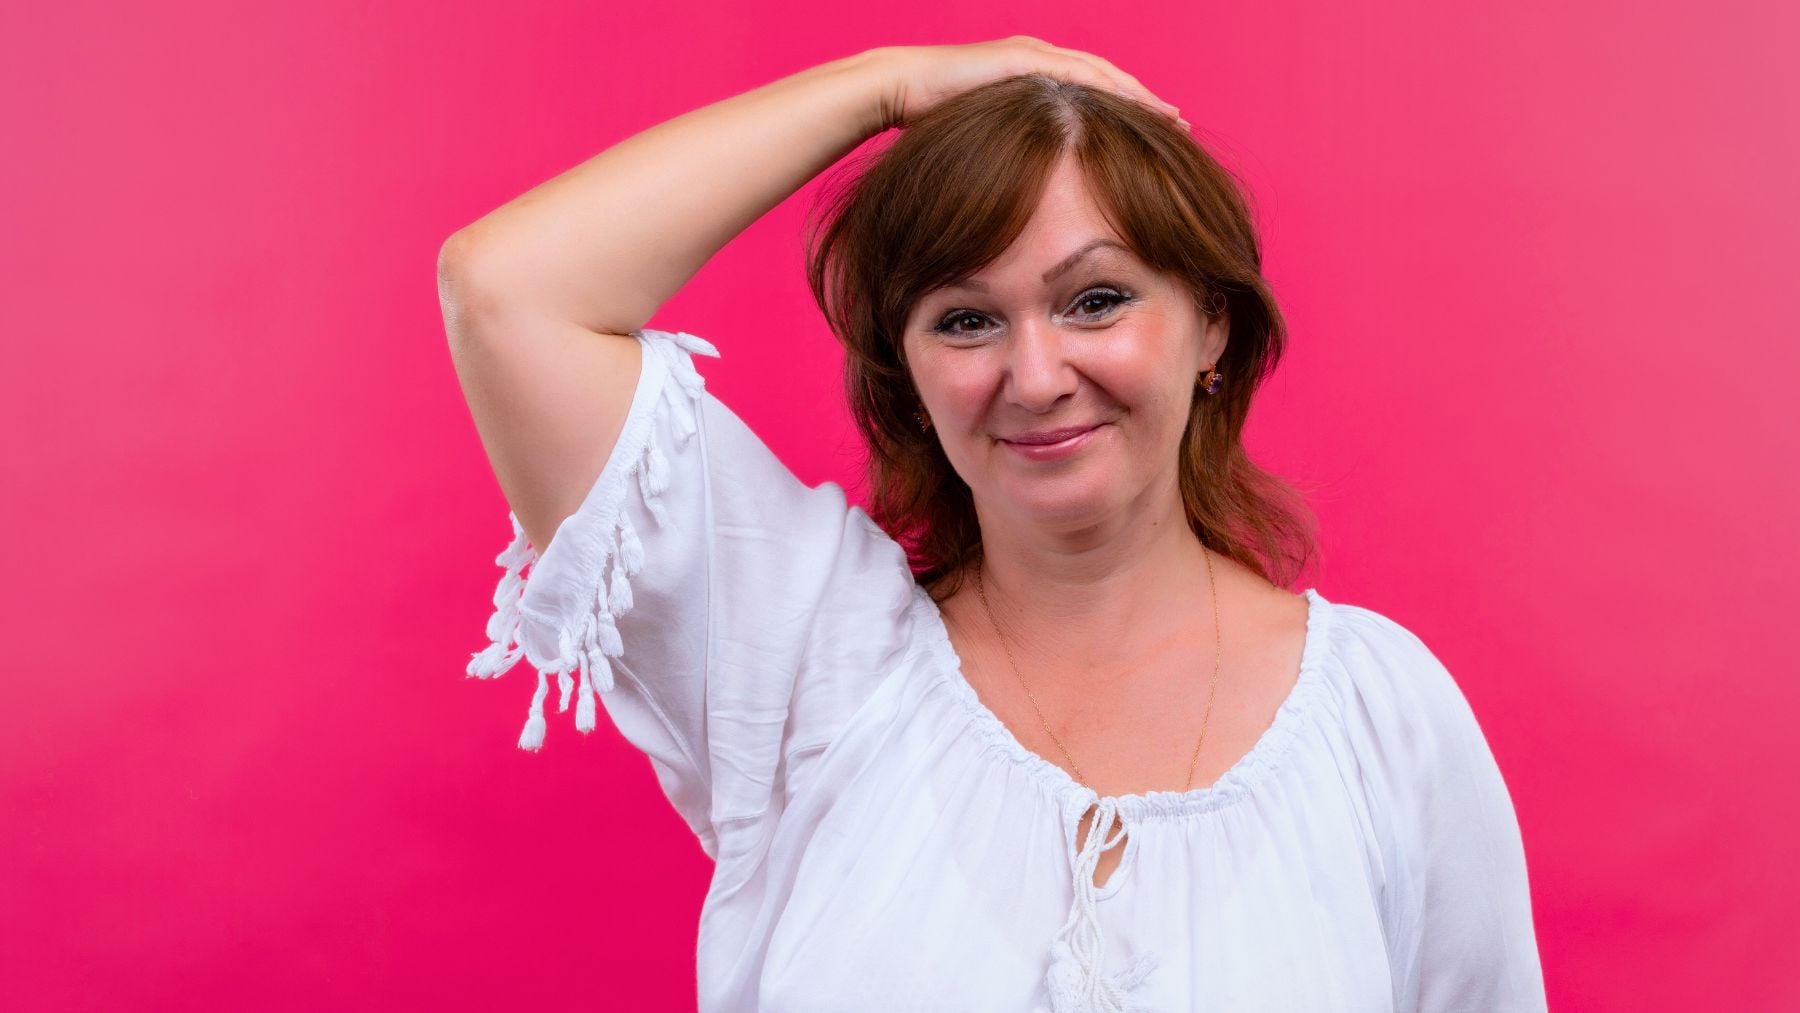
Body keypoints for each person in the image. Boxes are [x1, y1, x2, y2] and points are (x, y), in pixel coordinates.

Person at [440, 37, 1547, 1012]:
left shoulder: (1382, 718)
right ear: (909, 380)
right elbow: (507, 291)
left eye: (1096, 298)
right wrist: (886, 87)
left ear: (1211, 324)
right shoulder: (805, 658)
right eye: (965, 319)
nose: (1035, 372)